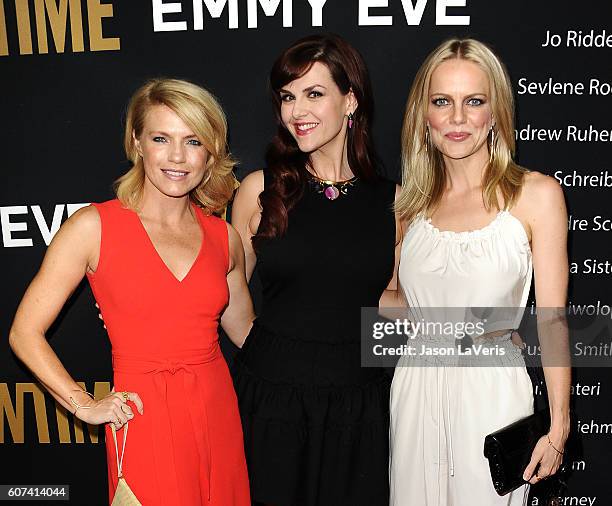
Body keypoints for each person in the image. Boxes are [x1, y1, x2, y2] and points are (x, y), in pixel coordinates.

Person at [9, 78, 253, 506]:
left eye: (193, 140)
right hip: (142, 416)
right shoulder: (93, 227)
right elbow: (24, 332)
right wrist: (81, 405)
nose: (177, 157)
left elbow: (247, 332)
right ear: (138, 143)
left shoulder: (224, 237)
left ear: (210, 151)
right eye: (161, 138)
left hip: (217, 409)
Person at [387, 39, 571, 505]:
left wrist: (559, 424)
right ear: (423, 115)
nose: (457, 118)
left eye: (474, 101)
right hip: (415, 384)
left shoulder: (537, 195)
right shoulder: (409, 204)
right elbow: (392, 301)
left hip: (492, 391)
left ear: (495, 113)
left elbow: (550, 318)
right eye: (442, 102)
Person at [230, 34, 401, 506]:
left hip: (360, 404)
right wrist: (268, 349)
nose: (296, 111)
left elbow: (395, 302)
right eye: (287, 96)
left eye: (314, 93)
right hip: (270, 399)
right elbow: (226, 289)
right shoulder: (260, 190)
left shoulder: (396, 201)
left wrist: (491, 333)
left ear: (350, 101)